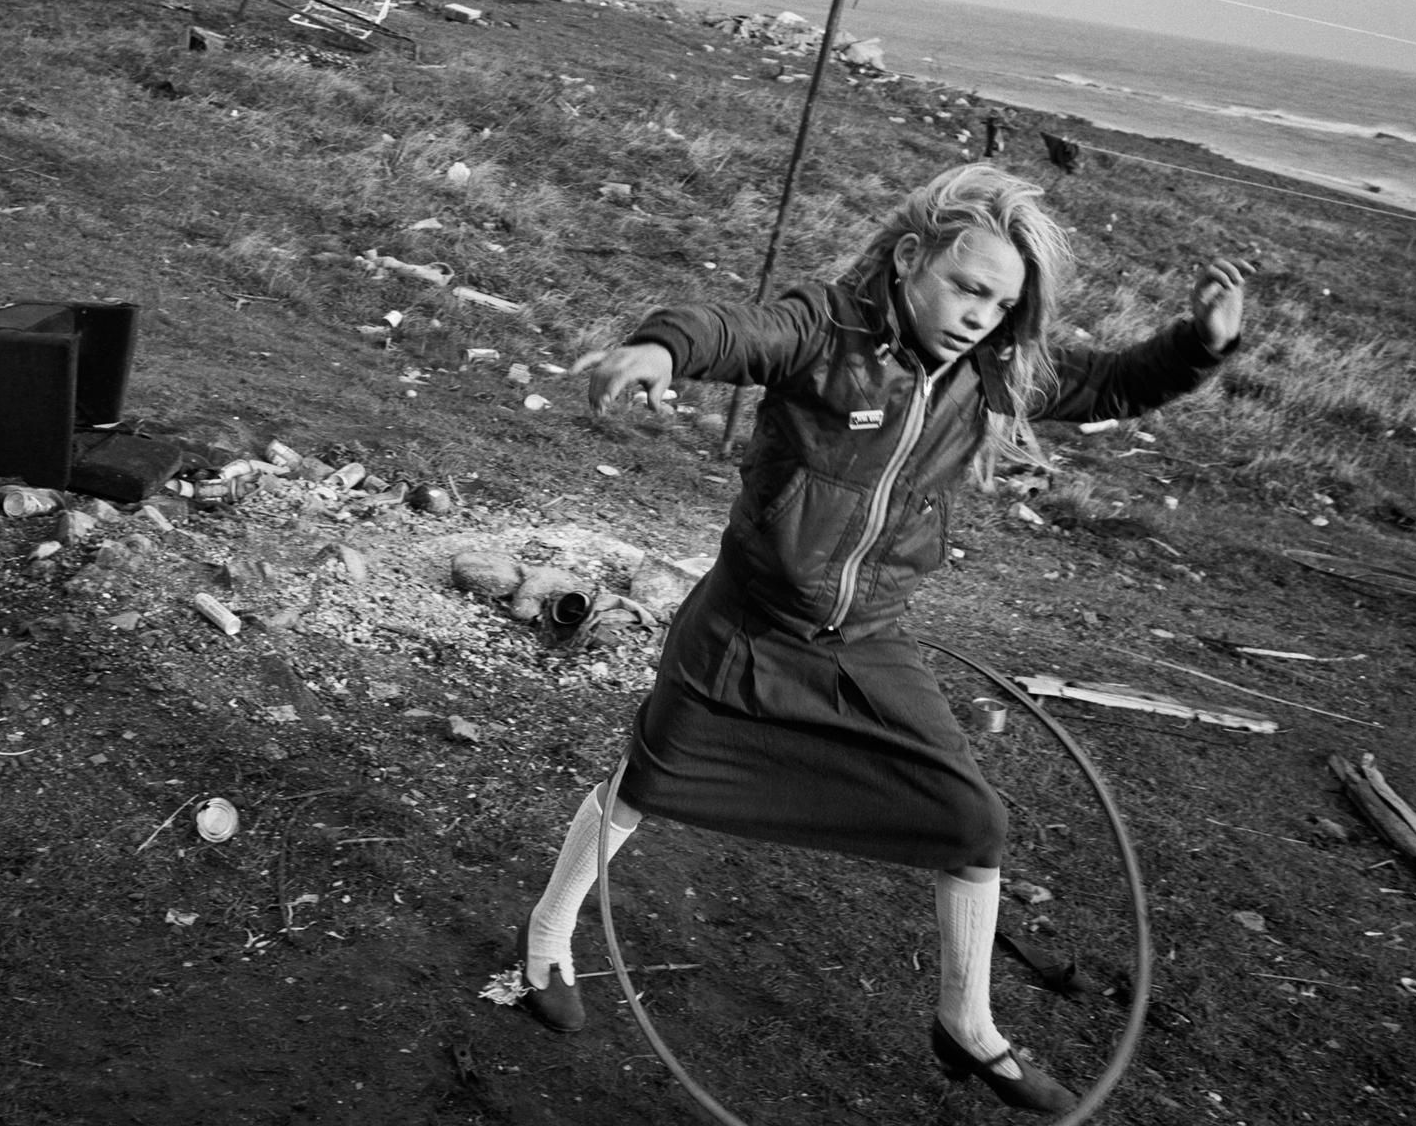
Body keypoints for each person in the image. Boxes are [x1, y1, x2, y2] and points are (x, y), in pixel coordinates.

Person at [514, 163, 1250, 1114]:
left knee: (974, 823)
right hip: (749, 620)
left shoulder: (992, 372)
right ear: (912, 258)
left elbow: (1110, 384)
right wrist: (660, 351)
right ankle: (546, 934)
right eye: (967, 285)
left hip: (868, 637)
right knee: (647, 784)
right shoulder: (828, 330)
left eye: (1000, 300)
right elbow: (735, 332)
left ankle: (966, 1027)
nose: (981, 313)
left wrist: (1200, 343)